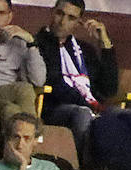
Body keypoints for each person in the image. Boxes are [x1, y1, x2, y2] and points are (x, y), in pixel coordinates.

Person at [32, 0, 117, 148]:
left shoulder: (85, 50)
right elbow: (54, 83)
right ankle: (77, 167)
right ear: (52, 12)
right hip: (55, 108)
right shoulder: (38, 43)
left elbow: (109, 89)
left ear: (78, 22)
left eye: (71, 18)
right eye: (60, 14)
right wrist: (92, 108)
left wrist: (106, 45)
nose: (62, 21)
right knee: (83, 114)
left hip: (91, 108)